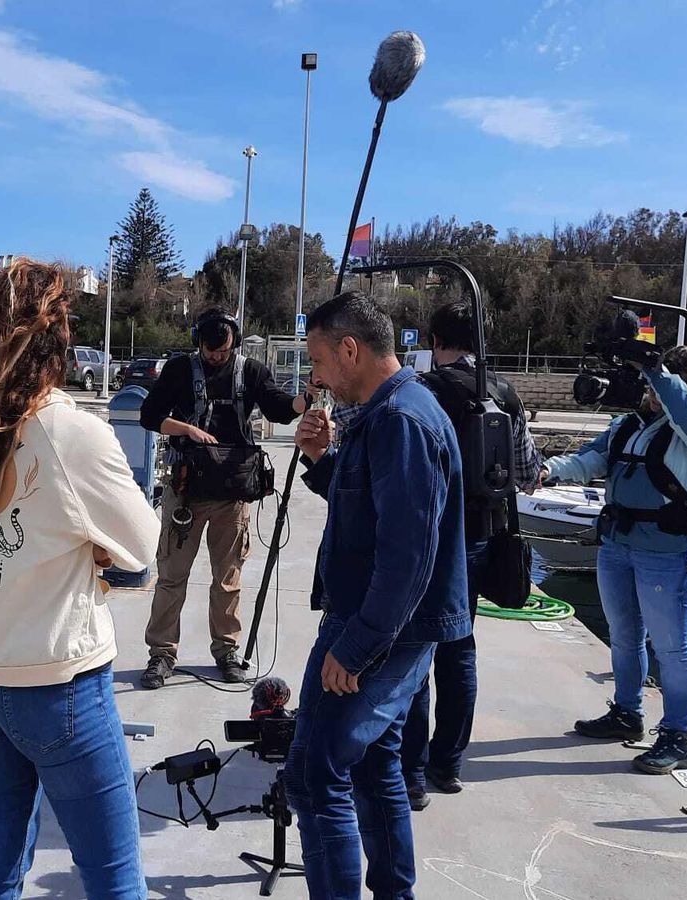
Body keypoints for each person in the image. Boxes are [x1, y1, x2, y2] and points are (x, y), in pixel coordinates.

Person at [0, 259, 158, 899]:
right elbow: (142, 545)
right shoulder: (71, 434)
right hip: (58, 691)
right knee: (114, 878)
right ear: (57, 337)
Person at [285, 291, 470, 900]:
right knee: (373, 766)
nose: (314, 377)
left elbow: (407, 556)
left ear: (350, 348)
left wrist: (356, 647)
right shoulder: (391, 411)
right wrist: (319, 459)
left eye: (317, 359)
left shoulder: (400, 421)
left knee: (317, 775)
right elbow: (368, 508)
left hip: (376, 631)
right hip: (383, 624)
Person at [544, 344, 687, 774]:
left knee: (672, 647)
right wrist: (547, 469)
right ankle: (627, 713)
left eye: (660, 385)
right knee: (623, 635)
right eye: (650, 385)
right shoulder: (629, 425)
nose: (652, 393)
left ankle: (676, 734)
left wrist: (657, 371)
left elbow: (684, 411)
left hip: (667, 553)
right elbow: (590, 459)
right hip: (619, 545)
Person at [400, 301, 542, 809]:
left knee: (415, 650)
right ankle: (448, 765)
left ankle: (410, 774)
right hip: (485, 537)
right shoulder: (504, 392)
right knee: (460, 651)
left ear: (436, 340)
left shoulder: (425, 392)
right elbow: (527, 471)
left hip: (436, 539)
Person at [138, 307, 311, 688]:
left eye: (223, 351)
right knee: (171, 577)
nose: (216, 357)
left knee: (228, 578)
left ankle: (226, 650)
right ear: (197, 342)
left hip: (232, 495)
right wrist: (188, 430)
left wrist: (305, 399)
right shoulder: (180, 370)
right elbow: (149, 416)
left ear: (234, 341)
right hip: (186, 492)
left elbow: (280, 409)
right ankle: (162, 654)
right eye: (210, 350)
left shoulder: (250, 371)